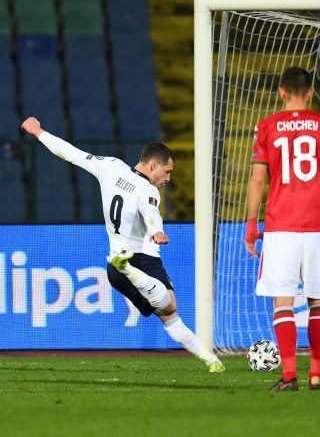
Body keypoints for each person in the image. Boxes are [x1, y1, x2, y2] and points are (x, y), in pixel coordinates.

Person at [21, 117, 224, 372]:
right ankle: (128, 268)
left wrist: (39, 132)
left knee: (168, 317)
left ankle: (212, 361)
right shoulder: (147, 189)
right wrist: (157, 231)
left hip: (113, 271)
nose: (168, 178)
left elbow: (71, 154)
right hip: (142, 259)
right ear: (153, 165)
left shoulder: (111, 167)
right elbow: (152, 213)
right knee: (170, 305)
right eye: (167, 171)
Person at [244, 67, 320, 391]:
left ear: (281, 92)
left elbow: (258, 179)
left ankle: (289, 376)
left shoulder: (267, 127)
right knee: (318, 301)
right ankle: (317, 374)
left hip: (280, 227)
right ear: (311, 93)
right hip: (316, 224)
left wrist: (250, 224)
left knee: (283, 303)